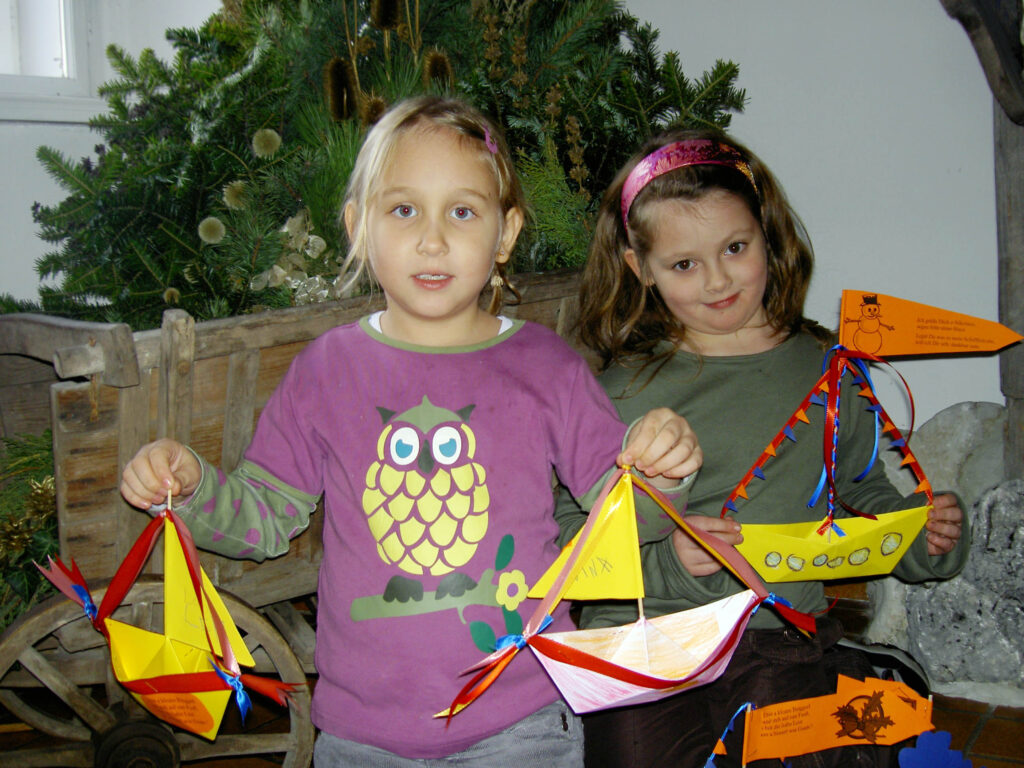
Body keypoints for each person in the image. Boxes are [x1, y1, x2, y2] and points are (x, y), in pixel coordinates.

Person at [119, 96, 702, 767]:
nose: (432, 239)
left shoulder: (549, 367)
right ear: (358, 226)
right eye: (402, 210)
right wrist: (189, 485)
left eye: (462, 211)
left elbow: (626, 518)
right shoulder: (326, 371)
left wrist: (662, 472)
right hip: (360, 736)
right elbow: (262, 519)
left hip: (524, 722)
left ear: (505, 234)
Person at [556, 129, 969, 768]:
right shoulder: (614, 394)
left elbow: (865, 495)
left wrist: (922, 535)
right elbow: (565, 539)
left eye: (735, 247)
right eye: (684, 264)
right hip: (646, 642)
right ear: (642, 270)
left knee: (808, 755)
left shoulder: (829, 373)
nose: (717, 280)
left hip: (780, 637)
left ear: (768, 240)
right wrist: (670, 559)